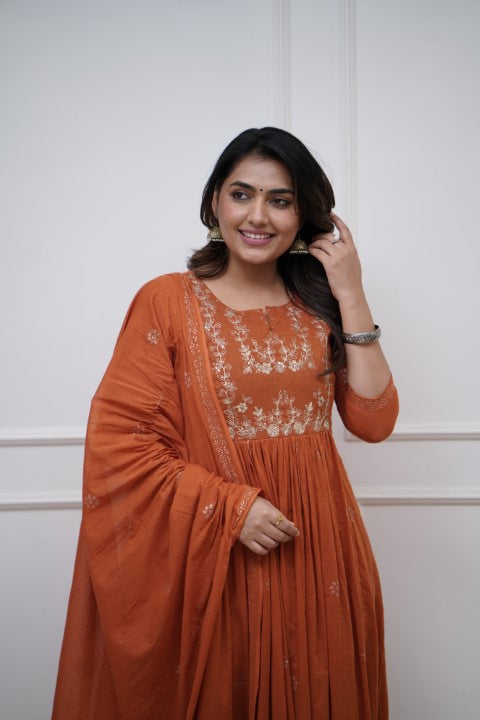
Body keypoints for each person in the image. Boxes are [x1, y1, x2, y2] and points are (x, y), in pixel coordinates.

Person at [52, 127, 398, 720]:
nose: (257, 215)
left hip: (321, 549)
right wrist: (230, 508)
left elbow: (374, 422)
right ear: (215, 200)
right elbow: (119, 441)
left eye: (280, 200)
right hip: (222, 551)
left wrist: (351, 292)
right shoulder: (167, 301)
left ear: (303, 214)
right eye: (242, 194)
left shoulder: (320, 305)